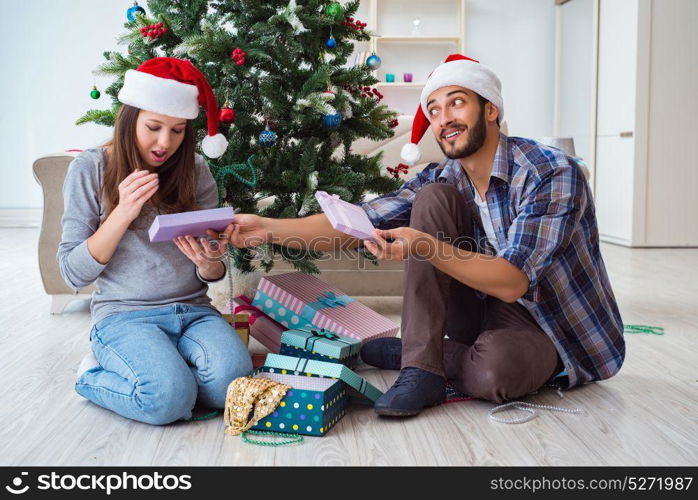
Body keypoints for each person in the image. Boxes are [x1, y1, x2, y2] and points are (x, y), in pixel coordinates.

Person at [225, 54, 625, 417]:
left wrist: (424, 245)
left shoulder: (551, 172)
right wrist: (266, 228)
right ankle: (421, 366)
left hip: (550, 327)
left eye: (456, 102)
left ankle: (423, 353)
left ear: (491, 110)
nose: (443, 119)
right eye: (433, 110)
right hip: (479, 307)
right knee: (433, 199)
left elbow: (511, 281)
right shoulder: (442, 177)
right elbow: (357, 221)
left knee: (493, 376)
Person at [58, 57, 251, 425]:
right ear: (129, 117)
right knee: (166, 401)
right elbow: (72, 274)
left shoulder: (195, 169)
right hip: (125, 317)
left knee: (231, 389)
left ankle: (168, 371)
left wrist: (209, 263)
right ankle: (91, 376)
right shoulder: (90, 168)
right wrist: (123, 212)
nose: (165, 143)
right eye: (153, 127)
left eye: (178, 131)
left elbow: (210, 272)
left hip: (193, 311)